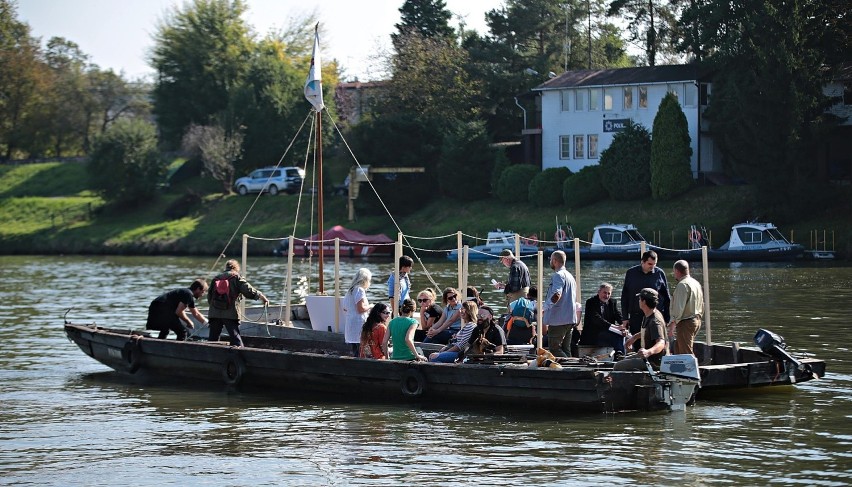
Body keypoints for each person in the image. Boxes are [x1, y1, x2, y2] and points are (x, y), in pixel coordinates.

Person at [207, 260, 268, 347]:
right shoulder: (236, 277)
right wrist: (262, 297)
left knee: (212, 339)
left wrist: (215, 308)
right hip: (230, 313)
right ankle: (241, 357)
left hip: (214, 313)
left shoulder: (216, 278)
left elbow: (209, 297)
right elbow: (248, 290)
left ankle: (211, 356)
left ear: (226, 267)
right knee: (236, 339)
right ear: (236, 268)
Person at [621, 250, 671, 351]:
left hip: (654, 316)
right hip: (636, 315)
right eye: (650, 264)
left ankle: (654, 364)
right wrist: (625, 317)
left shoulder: (659, 273)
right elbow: (625, 296)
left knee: (655, 342)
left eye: (654, 264)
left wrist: (666, 319)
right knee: (638, 346)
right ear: (642, 262)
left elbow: (666, 298)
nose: (652, 266)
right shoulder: (631, 273)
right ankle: (639, 364)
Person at [614, 288, 669, 371]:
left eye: (640, 299)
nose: (639, 301)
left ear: (644, 302)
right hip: (648, 358)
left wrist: (648, 352)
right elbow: (649, 332)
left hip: (654, 362)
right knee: (622, 359)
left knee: (618, 366)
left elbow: (661, 343)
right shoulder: (650, 313)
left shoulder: (654, 321)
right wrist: (635, 337)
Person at [543, 250, 577, 358]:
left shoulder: (558, 275)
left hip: (558, 319)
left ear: (554, 260)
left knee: (554, 348)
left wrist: (544, 307)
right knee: (566, 349)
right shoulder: (570, 276)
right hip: (570, 318)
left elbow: (557, 294)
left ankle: (567, 368)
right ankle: (570, 369)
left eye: (551, 260)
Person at [579, 283, 627, 356]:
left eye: (608, 293)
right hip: (594, 334)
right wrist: (614, 327)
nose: (606, 296)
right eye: (604, 293)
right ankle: (619, 354)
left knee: (622, 334)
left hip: (607, 332)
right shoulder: (591, 302)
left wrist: (623, 326)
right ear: (599, 292)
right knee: (616, 336)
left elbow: (618, 316)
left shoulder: (612, 302)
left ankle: (620, 354)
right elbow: (597, 319)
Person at [668, 260, 704, 356]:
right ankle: (679, 370)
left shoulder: (682, 285)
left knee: (685, 353)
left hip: (686, 322)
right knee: (679, 349)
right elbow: (702, 304)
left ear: (676, 271)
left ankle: (691, 370)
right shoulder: (696, 283)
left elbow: (679, 308)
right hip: (696, 319)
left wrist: (672, 326)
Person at [343, 268, 372, 357]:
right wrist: (370, 306)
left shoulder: (350, 290)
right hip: (358, 323)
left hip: (350, 322)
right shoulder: (359, 290)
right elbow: (361, 309)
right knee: (361, 348)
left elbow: (345, 308)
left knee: (355, 349)